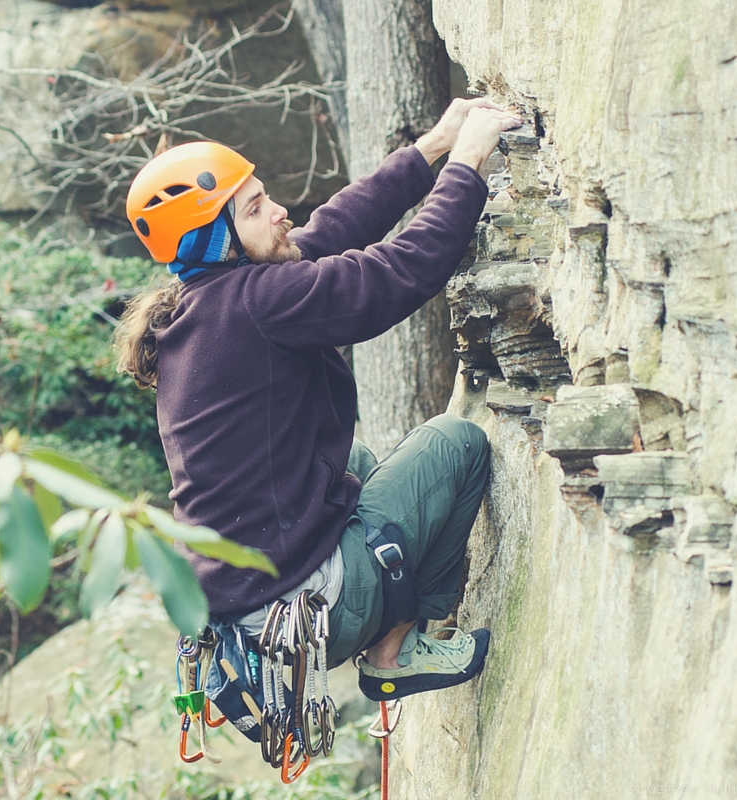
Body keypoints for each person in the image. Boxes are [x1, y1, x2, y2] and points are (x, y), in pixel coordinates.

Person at [115, 99, 522, 701]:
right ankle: (395, 651)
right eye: (256, 208)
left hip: (249, 622)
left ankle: (380, 610)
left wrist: (431, 147)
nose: (279, 212)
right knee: (453, 444)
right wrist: (467, 163)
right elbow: (402, 271)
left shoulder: (200, 305)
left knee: (346, 456)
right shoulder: (259, 302)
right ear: (219, 239)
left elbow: (326, 235)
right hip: (303, 620)